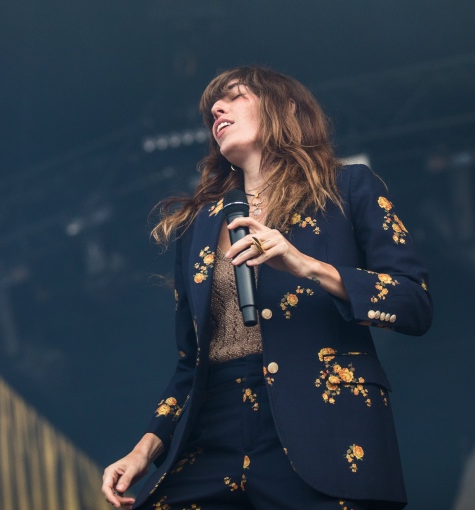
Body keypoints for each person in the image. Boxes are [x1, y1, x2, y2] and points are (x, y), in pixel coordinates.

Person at [102, 66, 432, 510]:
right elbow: (190, 363)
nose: (217, 109)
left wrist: (305, 265)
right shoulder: (198, 227)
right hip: (212, 427)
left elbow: (412, 302)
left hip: (321, 426)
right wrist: (145, 449)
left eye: (235, 96)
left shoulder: (348, 189)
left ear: (285, 108)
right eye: (212, 109)